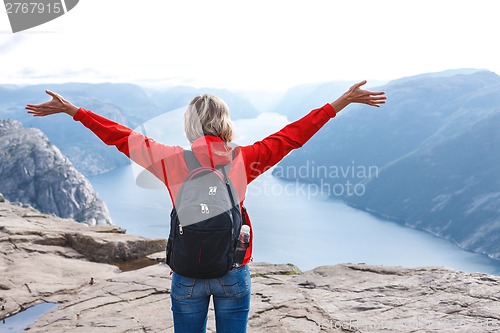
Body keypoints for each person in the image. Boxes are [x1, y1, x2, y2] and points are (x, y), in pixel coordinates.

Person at [26, 81, 386, 332]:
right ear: (225, 123)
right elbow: (293, 134)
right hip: (232, 269)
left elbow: (119, 136)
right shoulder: (246, 160)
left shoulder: (169, 160)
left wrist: (74, 111)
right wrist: (339, 103)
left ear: (190, 126)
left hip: (186, 273)